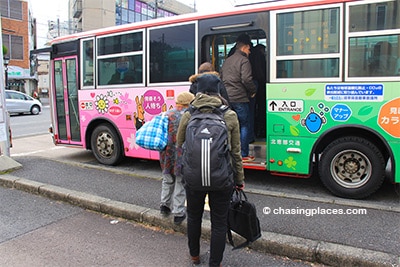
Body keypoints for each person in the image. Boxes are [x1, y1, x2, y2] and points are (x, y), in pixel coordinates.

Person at [177, 74, 245, 267]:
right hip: (222, 179)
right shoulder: (229, 115)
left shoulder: (189, 115)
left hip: (193, 178)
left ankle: (195, 256)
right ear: (218, 91)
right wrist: (239, 179)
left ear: (198, 91)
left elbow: (180, 143)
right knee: (219, 222)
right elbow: (236, 153)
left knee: (194, 217)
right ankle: (215, 263)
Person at [159, 91, 195, 225]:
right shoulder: (188, 116)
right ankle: (178, 213)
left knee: (167, 179)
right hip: (181, 154)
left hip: (166, 154)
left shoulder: (166, 114)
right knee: (180, 182)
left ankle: (164, 206)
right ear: (188, 103)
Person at [221, 34, 257, 162]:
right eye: (249, 49)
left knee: (230, 125)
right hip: (240, 98)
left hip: (227, 98)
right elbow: (246, 79)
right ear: (245, 47)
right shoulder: (244, 60)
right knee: (244, 124)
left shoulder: (227, 60)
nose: (250, 51)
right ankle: (244, 154)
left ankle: (230, 151)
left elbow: (222, 78)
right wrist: (253, 91)